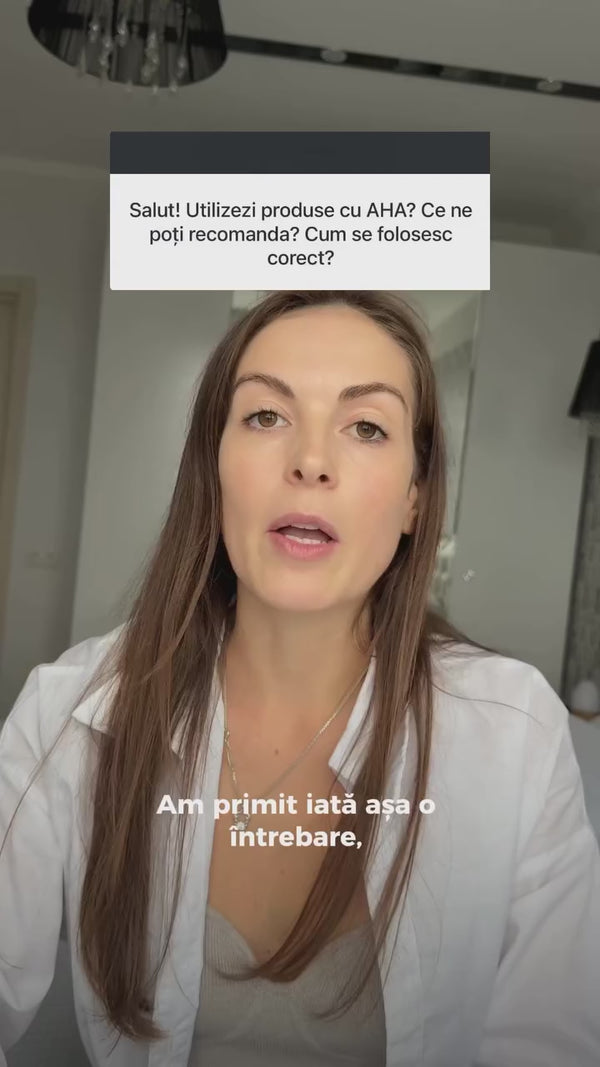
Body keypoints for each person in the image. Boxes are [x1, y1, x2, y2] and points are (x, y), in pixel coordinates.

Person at [0, 289, 599, 1067]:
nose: (311, 461)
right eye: (265, 416)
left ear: (415, 499)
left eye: (367, 426)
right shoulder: (69, 710)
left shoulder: (513, 727)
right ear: (213, 468)